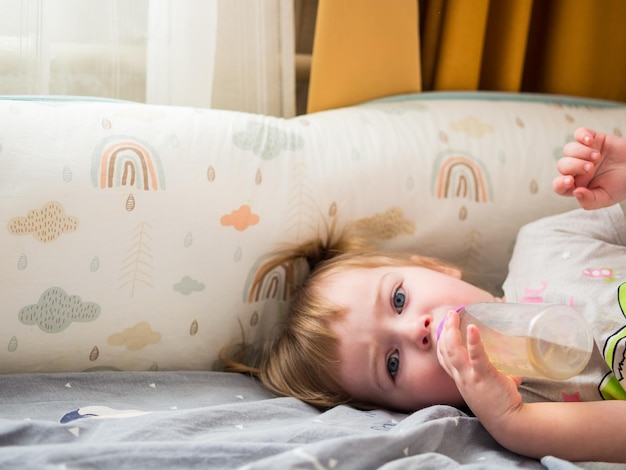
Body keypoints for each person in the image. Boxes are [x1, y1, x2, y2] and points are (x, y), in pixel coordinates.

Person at [223, 127, 626, 463]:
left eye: (398, 300)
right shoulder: (526, 410)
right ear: (408, 409)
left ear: (434, 267)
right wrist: (512, 421)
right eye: (393, 363)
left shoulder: (542, 243)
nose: (418, 329)